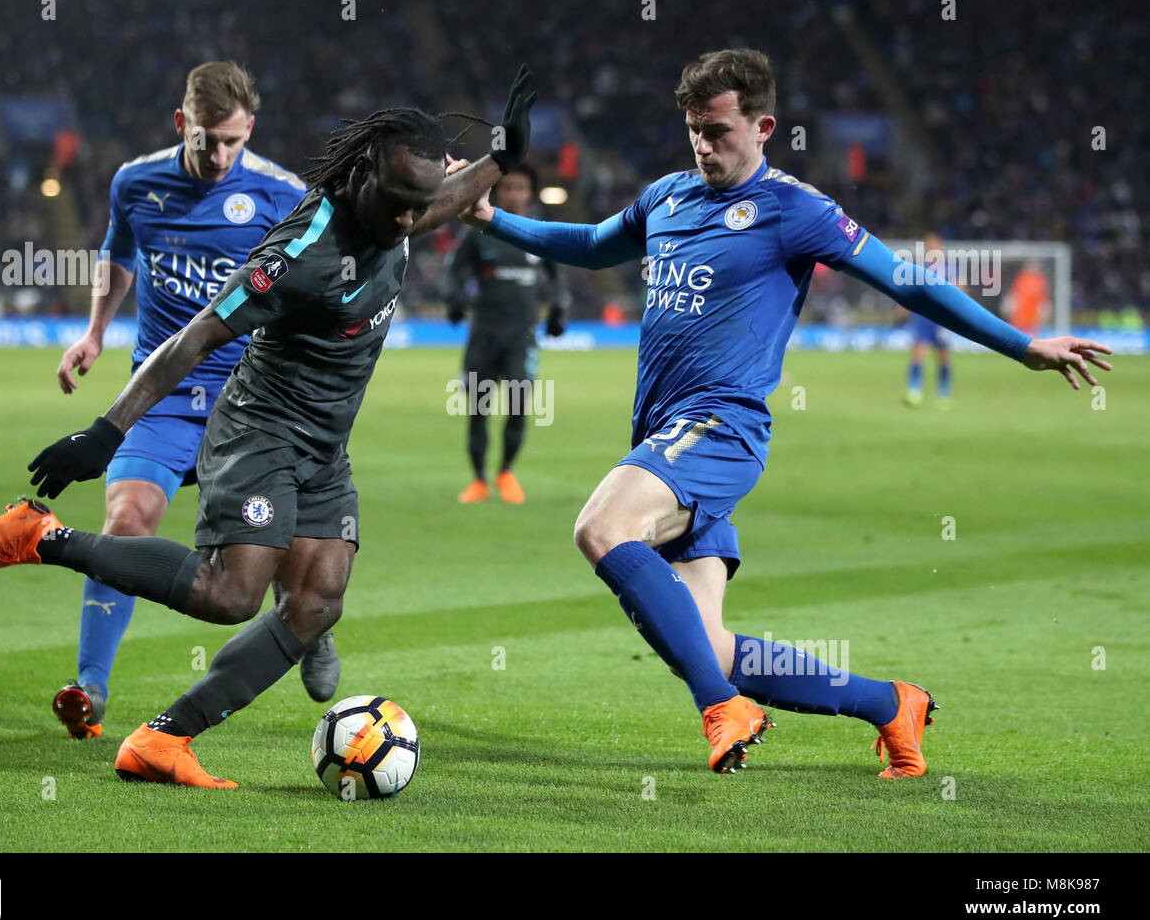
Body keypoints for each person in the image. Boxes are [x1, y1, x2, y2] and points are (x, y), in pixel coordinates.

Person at [460, 49, 1111, 776]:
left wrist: (1021, 345)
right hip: (665, 436)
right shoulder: (668, 197)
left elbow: (909, 282)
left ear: (764, 125)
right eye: (694, 130)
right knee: (703, 650)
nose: (704, 145)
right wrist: (491, 217)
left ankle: (723, 710)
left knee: (602, 528)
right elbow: (587, 246)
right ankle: (890, 703)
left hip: (721, 427)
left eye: (719, 130)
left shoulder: (795, 210)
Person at [0, 67, 539, 788]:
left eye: (419, 204)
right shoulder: (304, 250)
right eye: (403, 203)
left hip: (324, 446)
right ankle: (40, 536)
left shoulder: (396, 205)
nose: (415, 218)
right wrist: (107, 429)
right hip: (260, 429)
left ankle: (162, 742)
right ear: (368, 180)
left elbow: (443, 198)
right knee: (230, 596)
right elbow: (195, 337)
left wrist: (503, 156)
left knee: (316, 604)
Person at [47, 61, 324, 739]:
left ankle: (312, 617)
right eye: (206, 139)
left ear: (249, 129)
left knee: (285, 544)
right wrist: (94, 332)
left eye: (231, 140)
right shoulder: (136, 183)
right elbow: (118, 256)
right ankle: (91, 687)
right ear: (182, 124)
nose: (218, 155)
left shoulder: (280, 194)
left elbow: (312, 289)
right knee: (126, 519)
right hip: (161, 394)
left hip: (250, 399)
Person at [444, 165, 564, 504]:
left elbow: (556, 278)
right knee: (478, 409)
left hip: (521, 338)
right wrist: (453, 298)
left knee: (518, 406)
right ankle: (479, 480)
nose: (513, 194)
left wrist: (557, 308)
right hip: (484, 334)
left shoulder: (541, 233)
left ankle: (506, 472)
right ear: (498, 192)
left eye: (520, 188)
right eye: (507, 187)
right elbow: (453, 270)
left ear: (530, 193)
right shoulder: (479, 231)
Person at [902, 231, 957, 408]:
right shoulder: (919, 268)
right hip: (923, 316)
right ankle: (914, 392)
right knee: (918, 353)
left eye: (934, 245)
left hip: (942, 318)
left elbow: (960, 291)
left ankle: (943, 394)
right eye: (928, 245)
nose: (931, 248)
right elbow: (910, 291)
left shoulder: (949, 269)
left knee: (943, 356)